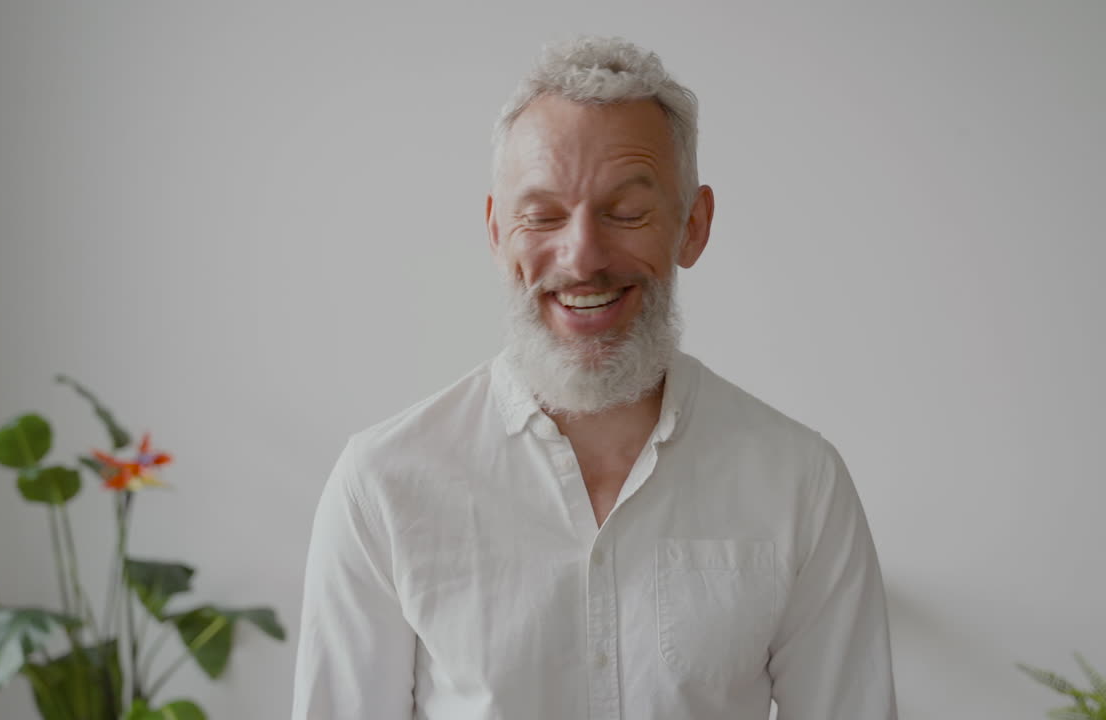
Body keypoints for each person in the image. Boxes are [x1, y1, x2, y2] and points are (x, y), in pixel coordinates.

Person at [291, 36, 897, 720]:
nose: (581, 258)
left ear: (692, 226)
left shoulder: (800, 483)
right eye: (542, 215)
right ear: (496, 232)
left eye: (626, 212)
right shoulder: (384, 484)